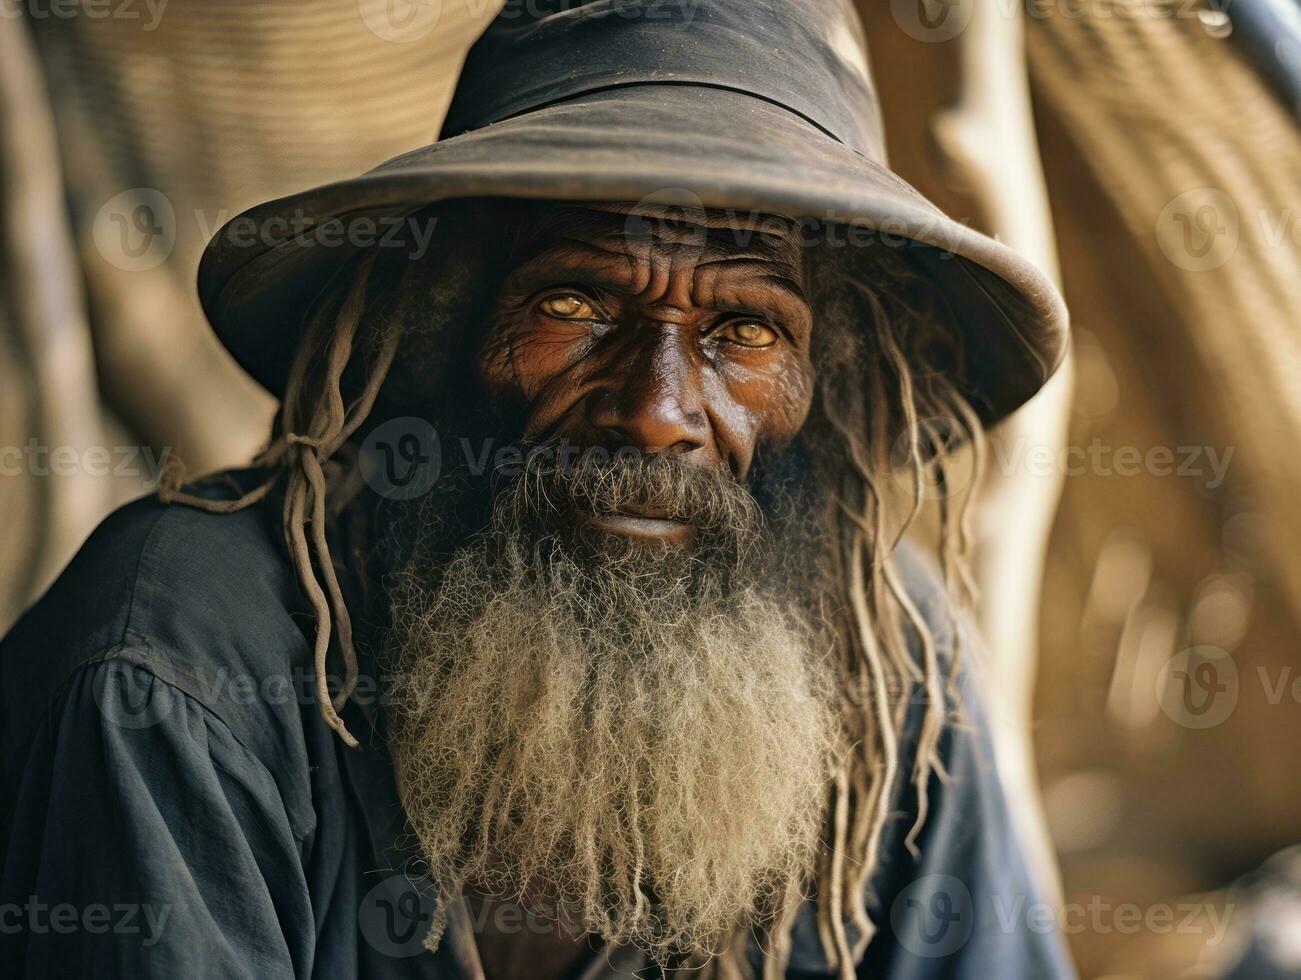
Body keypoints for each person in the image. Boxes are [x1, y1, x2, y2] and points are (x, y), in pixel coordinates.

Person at [0, 1, 1073, 977]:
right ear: (431, 324)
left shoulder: (890, 670)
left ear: (825, 389)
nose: (655, 409)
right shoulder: (173, 675)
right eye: (573, 303)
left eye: (742, 331)